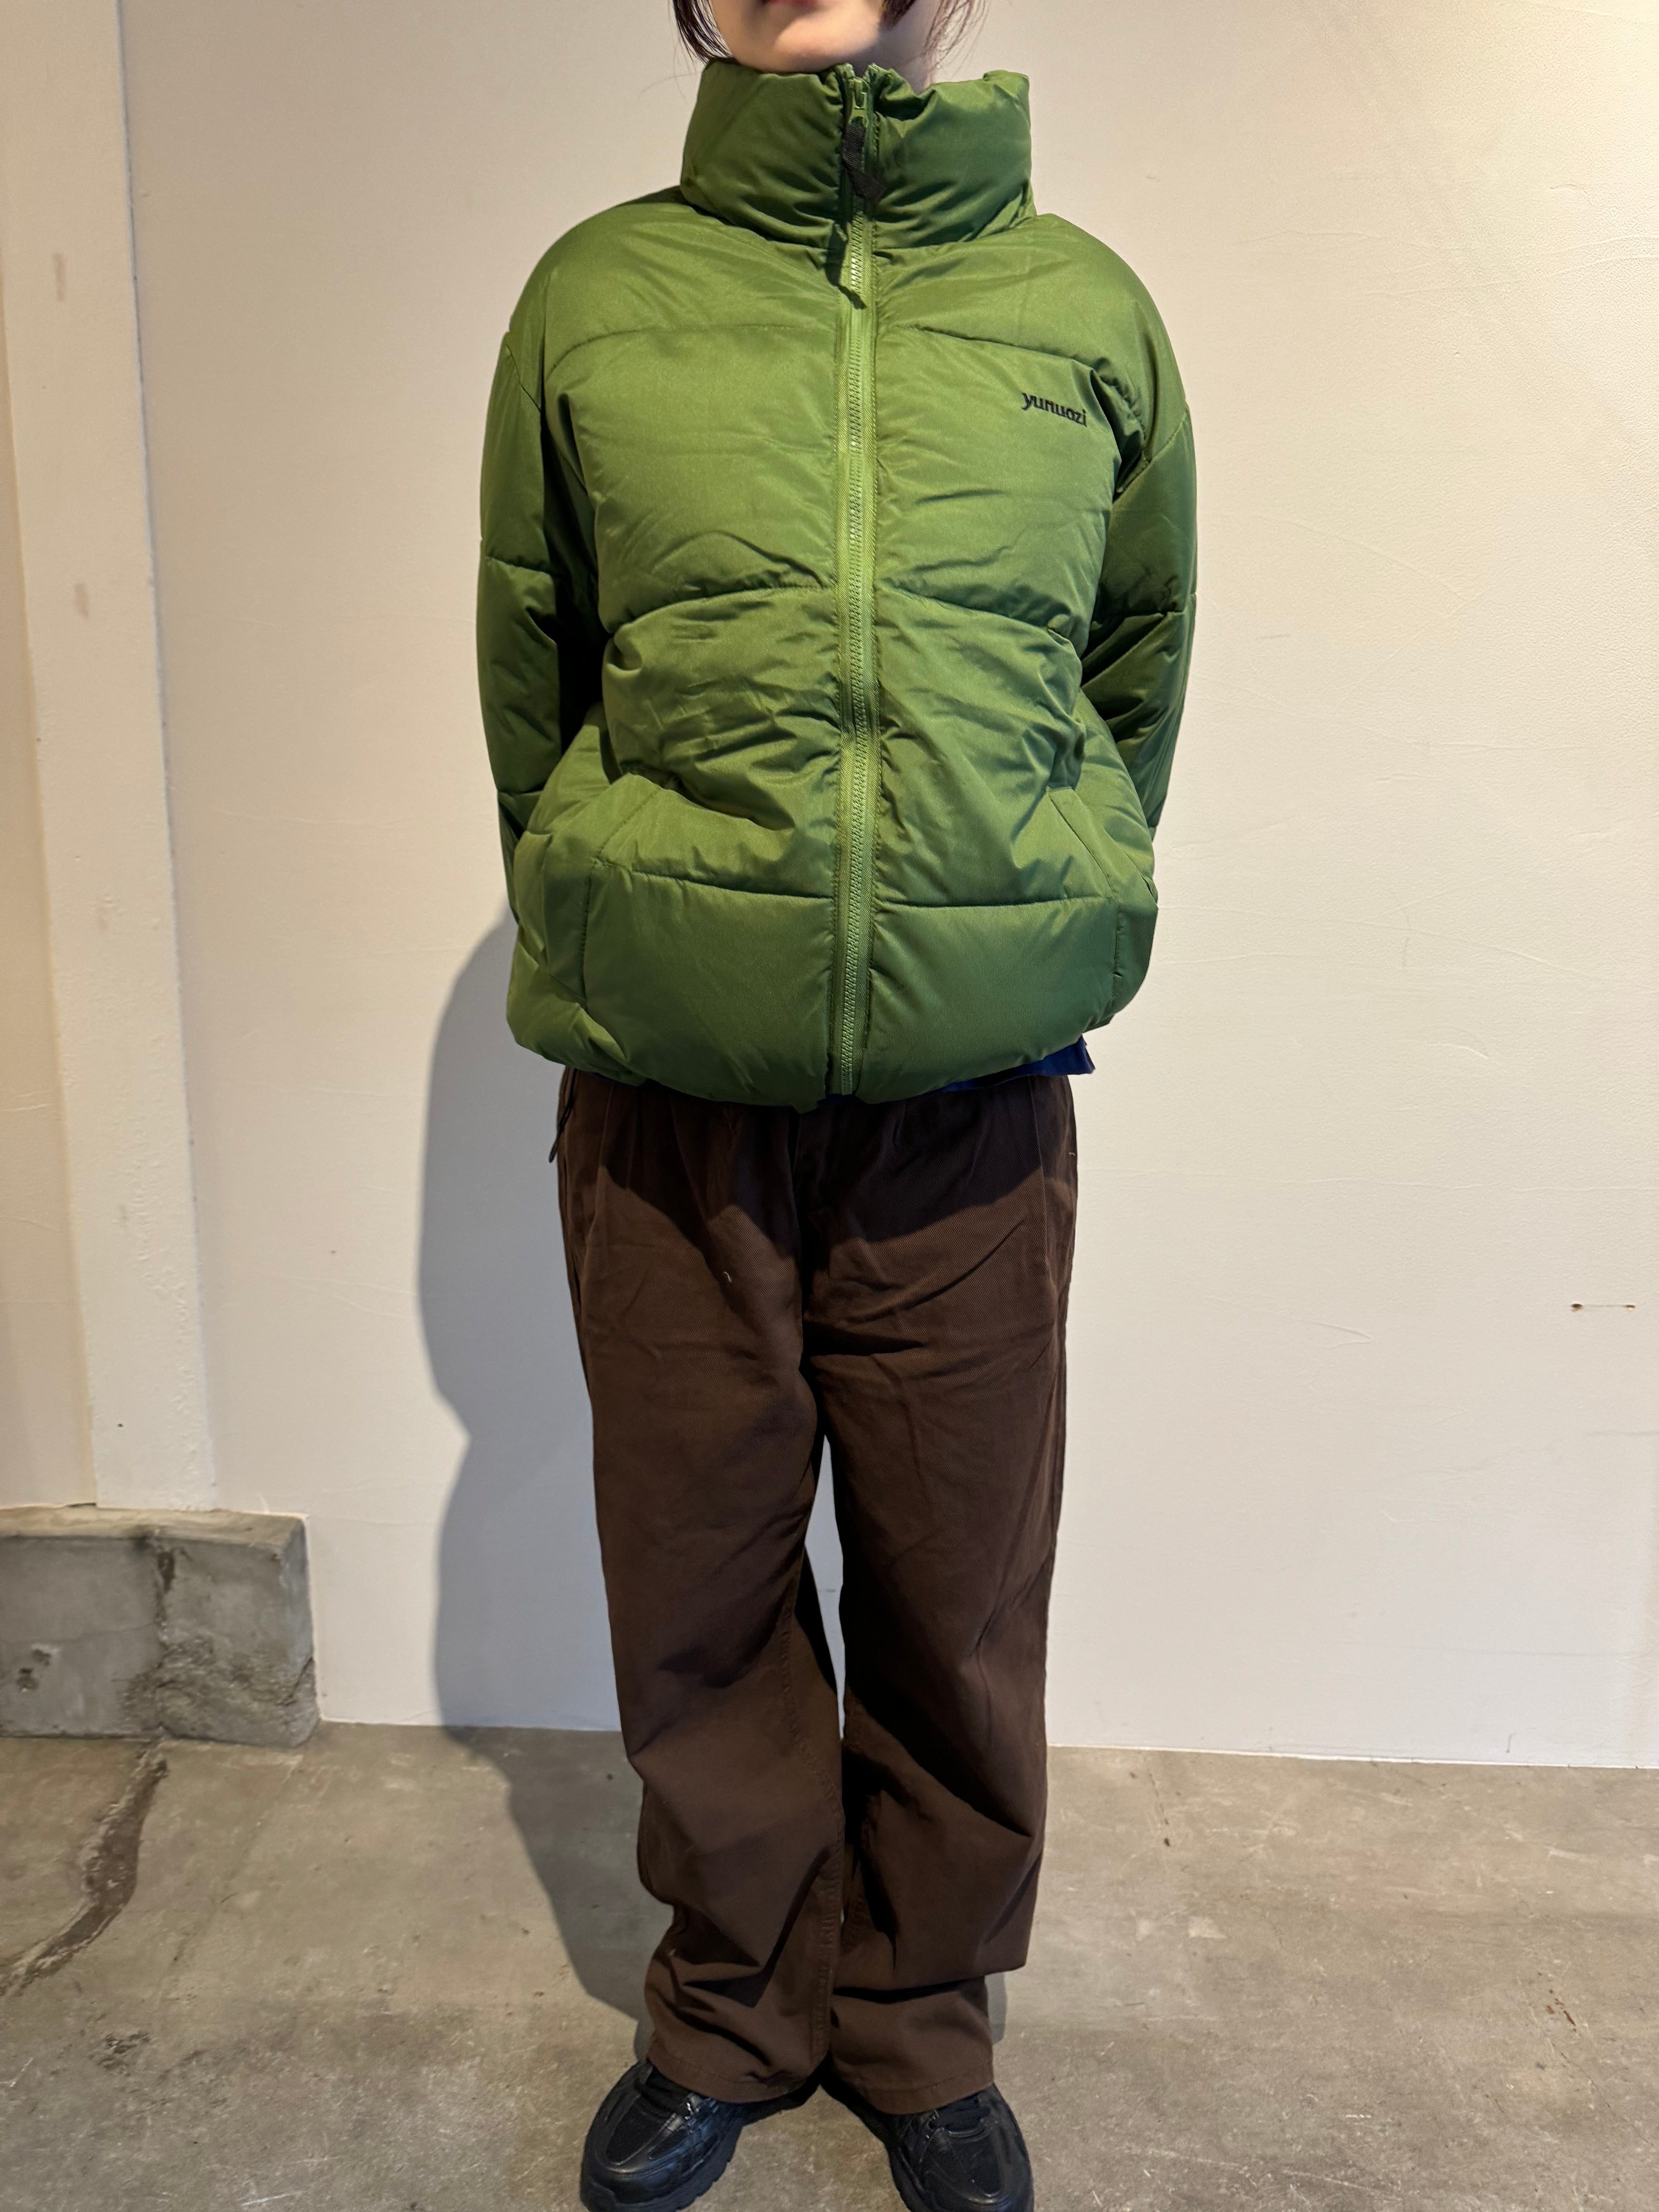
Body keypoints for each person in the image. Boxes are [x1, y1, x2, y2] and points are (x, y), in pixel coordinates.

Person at [476, 0, 1195, 2204]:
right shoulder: (600, 295)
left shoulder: (1080, 310)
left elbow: (1137, 663)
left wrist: (1041, 897)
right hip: (670, 1093)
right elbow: (535, 661)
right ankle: (732, 2008)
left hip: (974, 1096)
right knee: (696, 1580)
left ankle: (918, 2017)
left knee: (959, 1588)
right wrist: (622, 911)